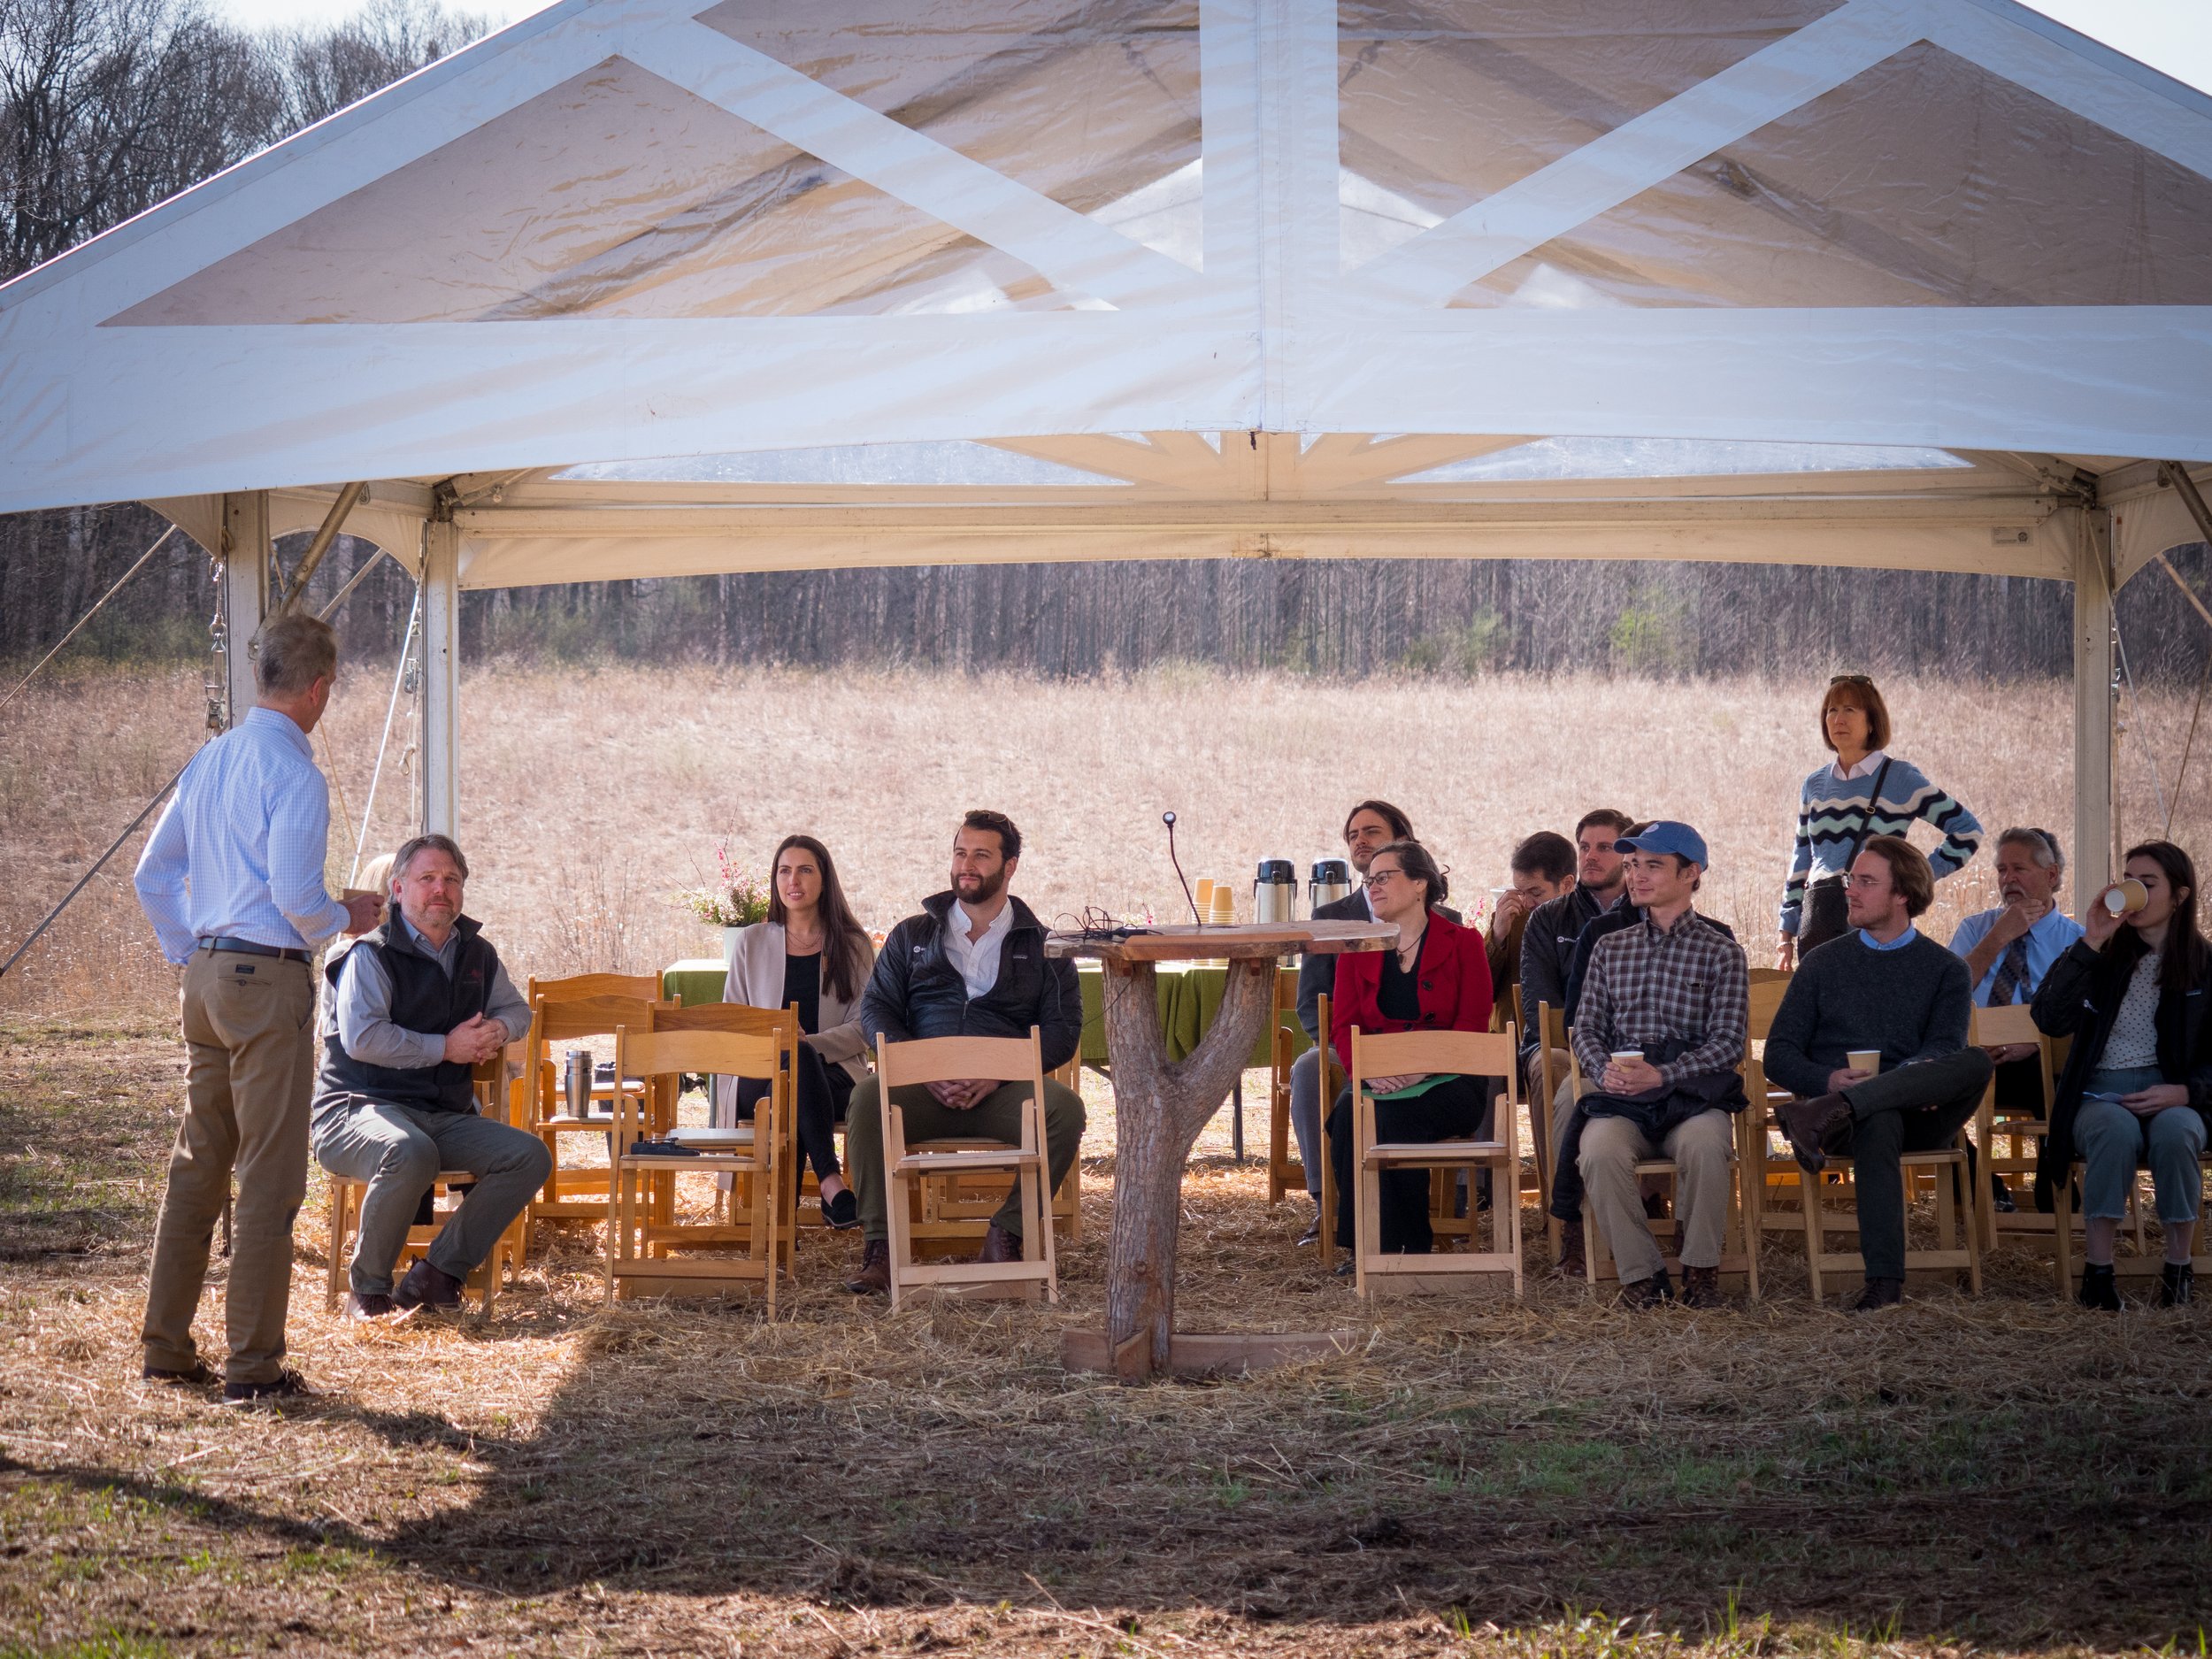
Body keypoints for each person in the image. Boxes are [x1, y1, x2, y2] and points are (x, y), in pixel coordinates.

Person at [131, 612, 383, 1402]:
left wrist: (190, 951)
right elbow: (295, 897)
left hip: (204, 973)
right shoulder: (296, 774)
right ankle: (253, 1366)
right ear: (318, 689)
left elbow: (152, 874)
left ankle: (166, 1345)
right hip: (265, 974)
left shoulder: (210, 759)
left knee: (197, 1164)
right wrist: (350, 916)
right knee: (270, 1174)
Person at [843, 810, 1086, 1294]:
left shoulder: (1044, 946)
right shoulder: (912, 935)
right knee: (868, 1100)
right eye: (960, 853)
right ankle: (882, 1248)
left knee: (1064, 1111)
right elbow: (876, 1011)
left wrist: (997, 1074)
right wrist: (920, 1068)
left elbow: (1062, 1033)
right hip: (921, 1089)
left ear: (1010, 866)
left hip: (1002, 1093)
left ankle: (1006, 1234)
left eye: (981, 854)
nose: (966, 865)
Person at [310, 834, 547, 1318]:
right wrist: (448, 1047)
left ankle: (436, 1275)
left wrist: (499, 1028)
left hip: (441, 1114)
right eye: (427, 879)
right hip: (356, 1110)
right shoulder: (368, 954)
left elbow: (517, 1010)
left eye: (451, 880)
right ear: (397, 889)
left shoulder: (477, 953)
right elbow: (364, 1039)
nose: (441, 889)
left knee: (528, 1155)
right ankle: (369, 1290)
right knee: (408, 1151)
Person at [1770, 836, 1994, 1312]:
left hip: (1924, 1114)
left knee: (1976, 1061)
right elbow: (1779, 1056)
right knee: (1879, 1120)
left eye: (1866, 882)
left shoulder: (1946, 970)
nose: (1850, 890)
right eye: (1852, 879)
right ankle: (1885, 1283)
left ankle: (1824, 1113)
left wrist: (1898, 1081)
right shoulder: (1821, 964)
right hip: (1850, 1126)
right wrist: (1828, 1081)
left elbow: (1944, 1050)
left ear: (1903, 895)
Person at [1567, 823, 1749, 1308]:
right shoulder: (1610, 948)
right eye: (1631, 866)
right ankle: (1642, 1277)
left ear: (1691, 873)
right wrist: (1602, 1069)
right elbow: (1584, 1028)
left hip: (1691, 1097)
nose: (1636, 876)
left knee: (1708, 1144)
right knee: (1599, 1151)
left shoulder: (1722, 952)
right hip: (1624, 1097)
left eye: (1652, 865)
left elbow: (1729, 1043)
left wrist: (1665, 1073)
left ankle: (1700, 1273)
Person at [2032, 841, 2211, 1310]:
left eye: (2147, 884)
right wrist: (2089, 941)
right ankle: (2099, 1272)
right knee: (2112, 1130)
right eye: (2127, 880)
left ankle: (2178, 1269)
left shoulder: (2204, 965)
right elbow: (2049, 1017)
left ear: (2179, 896)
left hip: (2173, 1094)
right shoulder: (2102, 957)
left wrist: (2187, 1091)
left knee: (2178, 1133)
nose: (2132, 892)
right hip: (2100, 1092)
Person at [1324, 841, 1493, 1266]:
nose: (1373, 886)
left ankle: (1402, 1250)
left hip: (1452, 1079)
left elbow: (1472, 1025)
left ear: (1420, 883)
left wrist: (1421, 1070)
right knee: (1347, 1113)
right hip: (1377, 1077)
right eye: (1369, 880)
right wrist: (1369, 1072)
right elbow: (1343, 1028)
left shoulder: (1465, 943)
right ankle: (1366, 1246)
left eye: (1384, 877)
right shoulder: (1356, 949)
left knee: (1391, 1115)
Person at [718, 833, 877, 1229]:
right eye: (784, 871)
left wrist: (810, 1044)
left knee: (800, 1072)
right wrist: (787, 1045)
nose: (794, 880)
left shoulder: (854, 946)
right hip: (758, 1076)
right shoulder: (751, 942)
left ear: (824, 880)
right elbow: (732, 1023)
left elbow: (865, 1027)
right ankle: (830, 1182)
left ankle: (782, 1224)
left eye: (805, 870)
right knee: (795, 1070)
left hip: (838, 1076)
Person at [1777, 674, 1983, 968]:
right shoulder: (1814, 784)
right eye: (1832, 710)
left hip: (1877, 926)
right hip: (1820, 923)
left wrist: (1911, 878)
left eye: (1850, 709)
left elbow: (1967, 830)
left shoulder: (1900, 778)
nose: (1838, 719)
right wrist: (1786, 934)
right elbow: (1802, 860)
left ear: (1872, 721)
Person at [1286, 799, 1414, 1247]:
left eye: (1372, 831)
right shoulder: (1329, 919)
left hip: (1418, 1047)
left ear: (1402, 839)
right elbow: (1310, 1003)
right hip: (1347, 1041)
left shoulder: (1443, 919)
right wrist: (1346, 1047)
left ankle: (1458, 1198)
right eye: (1353, 834)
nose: (1360, 840)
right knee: (1307, 1068)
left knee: (1483, 1062)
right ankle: (1327, 1204)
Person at [1947, 826, 2083, 1210]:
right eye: (2002, 870)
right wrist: (1998, 937)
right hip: (1973, 1059)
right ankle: (1981, 1186)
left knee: (2059, 1077)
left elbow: (2083, 1019)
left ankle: (2053, 1188)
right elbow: (1947, 995)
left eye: (2019, 869)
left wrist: (2036, 1043)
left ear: (2051, 875)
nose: (2008, 879)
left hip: (2038, 1064)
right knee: (1919, 1087)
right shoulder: (1975, 929)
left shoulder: (2077, 941)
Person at [1519, 809, 1634, 1093]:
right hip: (1563, 1042)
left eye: (1604, 848)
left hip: (1635, 1042)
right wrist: (1589, 1049)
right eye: (1584, 847)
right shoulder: (1548, 917)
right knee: (1553, 1062)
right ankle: (1558, 1140)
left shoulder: (1651, 914)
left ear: (1629, 856)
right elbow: (1540, 1007)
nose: (1590, 856)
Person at [1486, 831, 1574, 1009]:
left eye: (1536, 893)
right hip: (1510, 1033)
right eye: (1520, 891)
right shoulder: (1510, 918)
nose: (1526, 903)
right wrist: (1496, 937)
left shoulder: (1589, 922)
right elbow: (1479, 990)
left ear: (1566, 884)